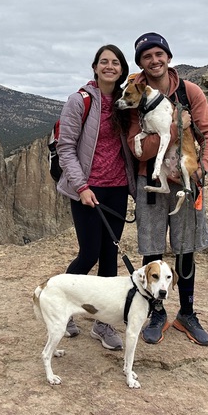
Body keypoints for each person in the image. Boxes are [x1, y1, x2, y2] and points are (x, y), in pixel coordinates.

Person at [126, 32, 208, 346]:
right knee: (151, 247)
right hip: (151, 181)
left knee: (185, 247)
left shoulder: (189, 92)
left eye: (158, 54)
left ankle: (187, 313)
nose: (154, 60)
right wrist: (174, 131)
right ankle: (156, 312)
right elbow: (137, 149)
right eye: (147, 56)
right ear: (141, 62)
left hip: (186, 183)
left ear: (168, 57)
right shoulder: (136, 93)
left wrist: (202, 168)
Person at [54, 44, 137, 351]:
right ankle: (62, 304)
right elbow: (66, 148)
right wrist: (81, 187)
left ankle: (102, 324)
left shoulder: (126, 101)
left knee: (110, 257)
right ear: (95, 66)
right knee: (89, 253)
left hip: (116, 190)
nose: (109, 66)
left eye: (115, 62)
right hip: (87, 189)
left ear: (121, 69)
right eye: (104, 62)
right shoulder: (80, 100)